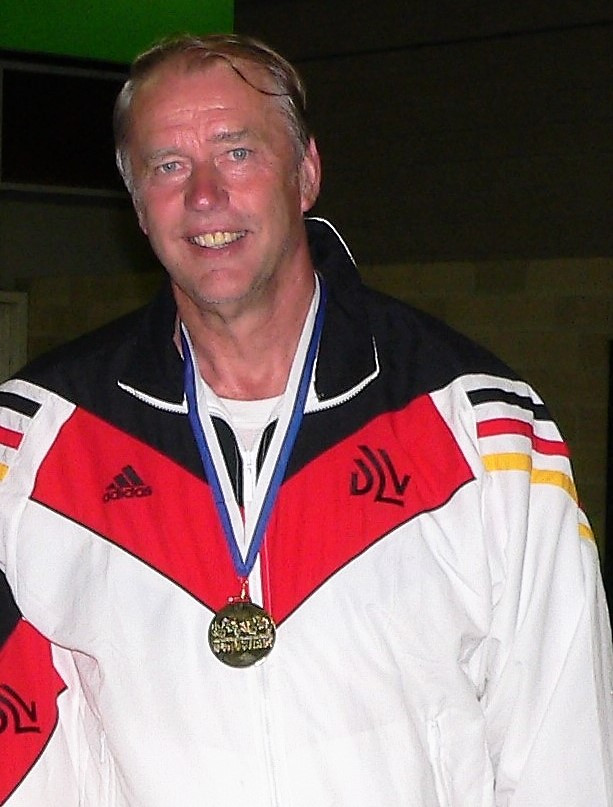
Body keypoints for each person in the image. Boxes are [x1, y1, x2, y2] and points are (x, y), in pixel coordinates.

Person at [0, 32, 611, 807]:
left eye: (237, 152)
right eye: (167, 165)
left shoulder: (480, 425)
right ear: (138, 206)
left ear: (306, 174)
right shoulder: (35, 441)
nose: (204, 194)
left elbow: (561, 742)